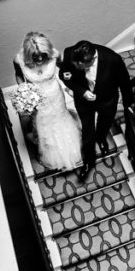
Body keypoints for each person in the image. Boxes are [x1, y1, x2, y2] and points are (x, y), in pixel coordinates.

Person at [59, 40, 133, 180]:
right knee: (87, 132)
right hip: (84, 102)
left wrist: (128, 104)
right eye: (75, 64)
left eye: (79, 65)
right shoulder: (70, 53)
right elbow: (63, 75)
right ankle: (88, 162)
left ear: (92, 59)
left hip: (107, 100)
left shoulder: (113, 59)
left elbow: (125, 82)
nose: (76, 66)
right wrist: (82, 91)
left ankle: (101, 138)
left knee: (105, 123)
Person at [14, 32, 83, 171]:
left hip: (55, 95)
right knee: (43, 124)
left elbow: (65, 69)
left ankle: (69, 150)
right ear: (28, 54)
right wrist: (24, 90)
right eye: (35, 56)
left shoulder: (54, 54)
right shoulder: (18, 60)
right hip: (37, 100)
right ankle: (49, 151)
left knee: (60, 119)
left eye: (43, 55)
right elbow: (19, 76)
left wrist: (70, 80)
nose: (40, 58)